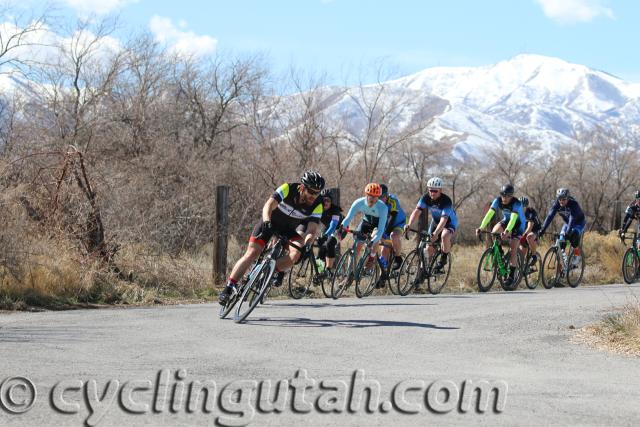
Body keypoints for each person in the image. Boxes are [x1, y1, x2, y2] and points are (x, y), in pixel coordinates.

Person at [218, 171, 325, 305]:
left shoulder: (318, 204)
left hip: (288, 230)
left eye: (317, 192)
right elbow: (268, 205)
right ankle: (228, 288)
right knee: (252, 253)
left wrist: (307, 244)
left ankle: (269, 271)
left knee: (296, 253)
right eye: (311, 191)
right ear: (303, 187)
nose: (314, 195)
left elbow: (312, 229)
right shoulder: (288, 188)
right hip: (270, 222)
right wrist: (267, 221)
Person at [475, 184, 526, 288]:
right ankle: (500, 253)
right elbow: (489, 215)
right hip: (506, 221)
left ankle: (511, 276)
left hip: (518, 225)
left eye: (507, 196)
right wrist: (481, 227)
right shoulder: (497, 200)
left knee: (513, 247)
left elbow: (513, 219)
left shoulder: (516, 203)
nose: (504, 198)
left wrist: (507, 231)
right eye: (503, 195)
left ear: (511, 196)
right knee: (494, 232)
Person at [404, 177, 458, 273]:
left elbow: (444, 219)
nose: (432, 193)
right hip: (436, 221)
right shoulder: (425, 198)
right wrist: (409, 224)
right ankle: (425, 271)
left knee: (444, 236)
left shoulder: (446, 201)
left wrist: (436, 233)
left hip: (449, 222)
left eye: (435, 191)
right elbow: (417, 211)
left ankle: (444, 258)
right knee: (429, 247)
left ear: (440, 190)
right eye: (430, 190)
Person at [337, 183, 388, 276]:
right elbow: (348, 218)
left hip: (378, 225)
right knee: (356, 247)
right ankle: (349, 274)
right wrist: (341, 227)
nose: (373, 199)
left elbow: (380, 230)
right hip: (366, 222)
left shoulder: (383, 208)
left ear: (378, 197)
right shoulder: (359, 202)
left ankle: (371, 259)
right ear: (366, 195)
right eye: (370, 196)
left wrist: (373, 241)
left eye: (375, 197)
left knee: (374, 237)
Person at [538, 188, 586, 268]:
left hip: (578, 223)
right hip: (568, 223)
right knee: (561, 244)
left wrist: (568, 232)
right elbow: (550, 216)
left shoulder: (574, 204)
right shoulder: (556, 204)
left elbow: (572, 218)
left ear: (568, 198)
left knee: (573, 236)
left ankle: (577, 256)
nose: (561, 201)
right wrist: (543, 229)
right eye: (559, 199)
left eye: (564, 199)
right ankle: (564, 266)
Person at [316, 189, 344, 276]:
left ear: (331, 202)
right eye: (324, 200)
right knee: (321, 246)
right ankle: (319, 272)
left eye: (328, 200)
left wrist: (325, 236)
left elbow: (333, 225)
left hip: (340, 228)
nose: (326, 202)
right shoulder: (318, 208)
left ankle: (328, 269)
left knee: (329, 243)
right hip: (328, 227)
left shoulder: (335, 209)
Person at [379, 184, 406, 270]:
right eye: (378, 197)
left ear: (387, 195)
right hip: (387, 224)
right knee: (384, 250)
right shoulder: (376, 202)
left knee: (393, 236)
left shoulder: (393, 201)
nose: (380, 199)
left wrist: (385, 233)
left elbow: (392, 218)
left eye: (382, 197)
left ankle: (398, 258)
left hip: (399, 223)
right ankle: (383, 274)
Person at [519, 196, 542, 265]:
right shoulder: (517, 212)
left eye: (523, 206)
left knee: (529, 237)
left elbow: (530, 226)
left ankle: (534, 256)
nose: (521, 208)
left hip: (535, 229)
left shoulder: (530, 212)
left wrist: (524, 235)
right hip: (525, 230)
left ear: (526, 206)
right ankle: (522, 269)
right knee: (521, 254)